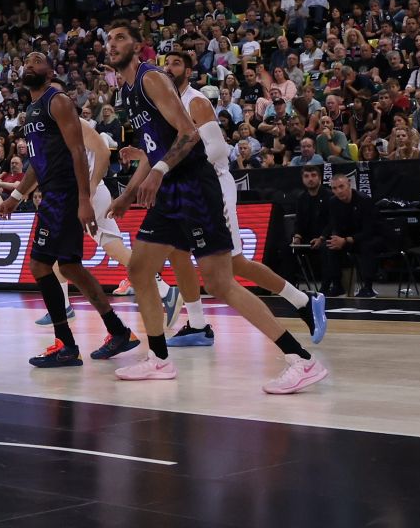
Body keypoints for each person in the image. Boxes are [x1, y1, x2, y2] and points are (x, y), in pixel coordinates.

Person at [103, 22, 327, 394]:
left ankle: (301, 360)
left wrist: (157, 172)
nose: (112, 44)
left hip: (193, 187)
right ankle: (158, 359)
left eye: (120, 38)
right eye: (108, 40)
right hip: (169, 191)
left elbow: (189, 134)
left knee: (221, 282)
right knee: (140, 270)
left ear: (139, 46)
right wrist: (128, 193)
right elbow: (156, 147)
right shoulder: (125, 91)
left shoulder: (151, 78)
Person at [160, 52, 326, 347]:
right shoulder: (168, 105)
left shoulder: (196, 101)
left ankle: (303, 300)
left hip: (214, 188)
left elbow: (217, 151)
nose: (168, 69)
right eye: (166, 64)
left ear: (189, 70)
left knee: (234, 265)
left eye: (175, 63)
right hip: (189, 190)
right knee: (177, 251)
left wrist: (169, 166)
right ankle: (197, 324)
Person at [6, 52, 141, 368]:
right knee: (69, 268)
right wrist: (17, 195)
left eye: (37, 60)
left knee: (40, 266)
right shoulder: (31, 110)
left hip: (63, 195)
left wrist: (83, 199)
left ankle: (65, 344)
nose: (29, 64)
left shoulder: (58, 101)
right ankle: (118, 332)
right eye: (27, 61)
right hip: (54, 192)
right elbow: (38, 164)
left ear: (50, 71)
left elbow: (78, 151)